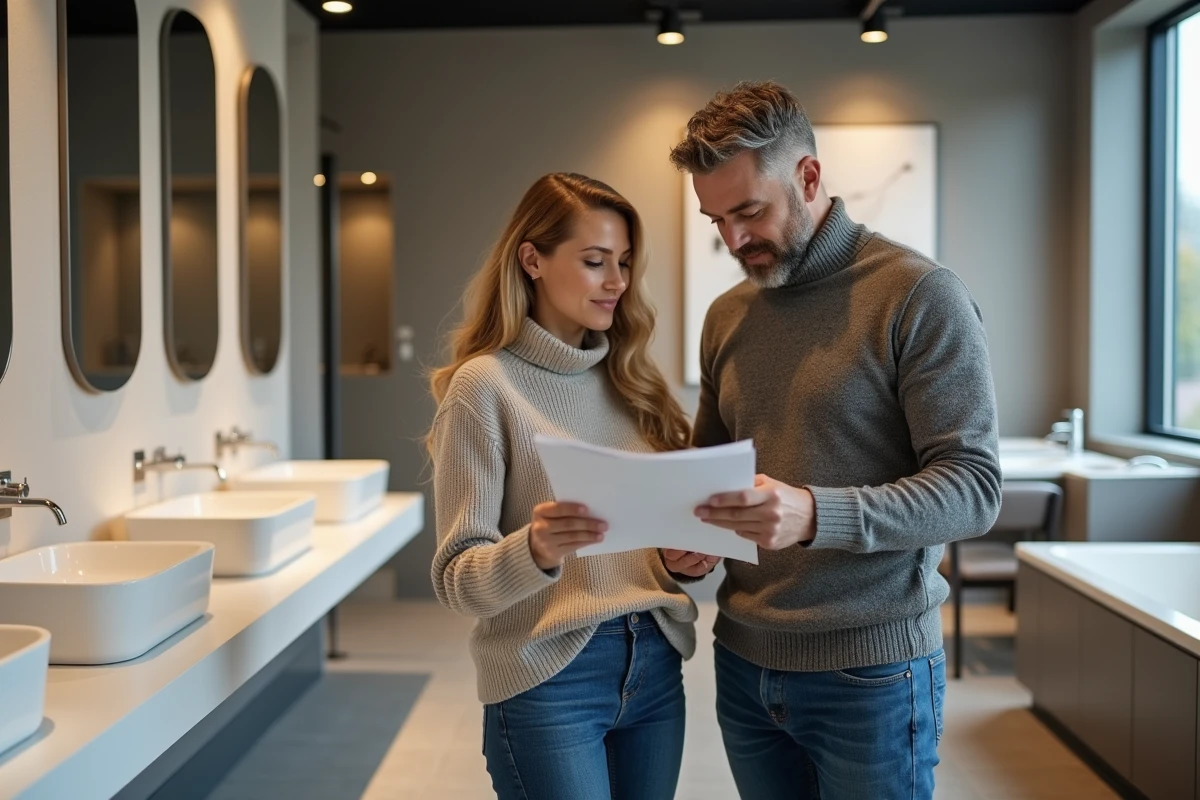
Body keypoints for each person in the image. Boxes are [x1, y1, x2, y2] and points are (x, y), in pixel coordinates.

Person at [663, 81, 1003, 800]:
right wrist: (686, 546)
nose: (733, 240)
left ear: (809, 176)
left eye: (749, 211)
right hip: (744, 663)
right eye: (716, 220)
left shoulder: (919, 294)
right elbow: (710, 479)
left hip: (873, 672)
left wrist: (816, 514)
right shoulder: (725, 317)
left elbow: (973, 489)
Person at [428, 172, 706, 800]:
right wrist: (537, 548)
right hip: (548, 677)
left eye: (625, 263)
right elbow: (456, 580)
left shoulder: (634, 381)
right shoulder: (484, 387)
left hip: (655, 663)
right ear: (533, 260)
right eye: (594, 261)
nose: (618, 282)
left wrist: (677, 559)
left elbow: (642, 542)